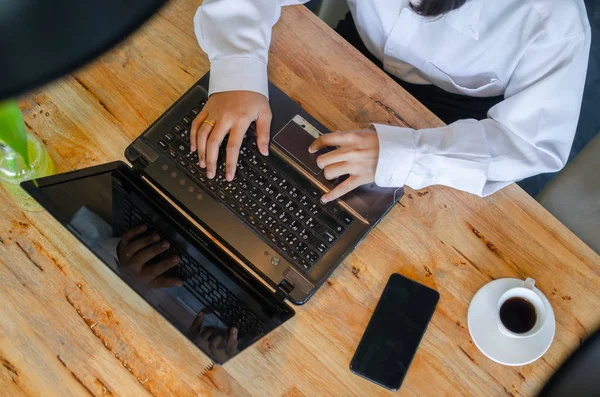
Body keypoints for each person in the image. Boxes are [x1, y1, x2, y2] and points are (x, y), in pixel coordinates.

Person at [190, 0, 591, 201]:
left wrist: (405, 156)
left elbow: (531, 143)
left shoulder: (554, 18)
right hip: (350, 53)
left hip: (453, 126)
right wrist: (237, 69)